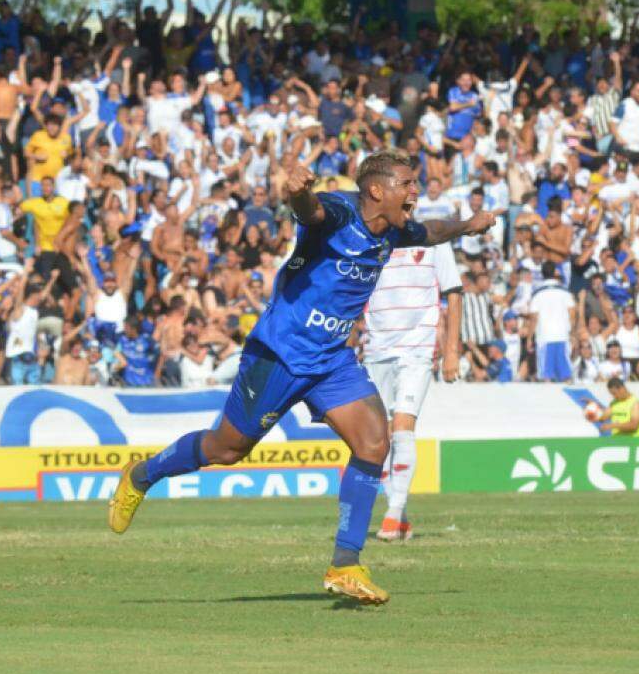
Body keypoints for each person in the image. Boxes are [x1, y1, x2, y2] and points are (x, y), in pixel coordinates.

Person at [107, 150, 493, 604]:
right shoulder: (338, 213)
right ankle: (142, 475)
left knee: (374, 442)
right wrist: (297, 192)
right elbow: (310, 211)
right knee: (226, 449)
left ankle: (345, 565)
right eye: (407, 184)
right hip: (280, 354)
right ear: (376, 190)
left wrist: (468, 225)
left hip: (332, 359)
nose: (414, 192)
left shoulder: (394, 230)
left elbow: (430, 232)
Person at [363, 236, 462, 543]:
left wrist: (451, 350)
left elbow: (454, 293)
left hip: (416, 351)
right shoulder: (371, 240)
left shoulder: (433, 239)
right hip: (376, 350)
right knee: (381, 438)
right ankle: (401, 517)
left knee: (404, 427)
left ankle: (392, 515)